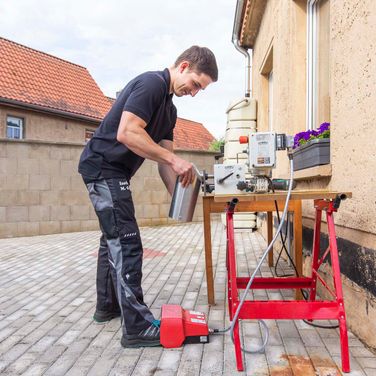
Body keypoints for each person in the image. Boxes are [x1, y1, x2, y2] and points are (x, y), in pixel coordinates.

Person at [78, 46, 218, 348]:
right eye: (195, 84)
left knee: (112, 239)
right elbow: (127, 132)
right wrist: (173, 160)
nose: (194, 92)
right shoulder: (151, 83)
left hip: (113, 171)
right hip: (103, 166)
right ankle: (137, 328)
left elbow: (165, 161)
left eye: (200, 90)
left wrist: (180, 196)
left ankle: (107, 307)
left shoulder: (170, 109)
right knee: (127, 242)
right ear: (183, 66)